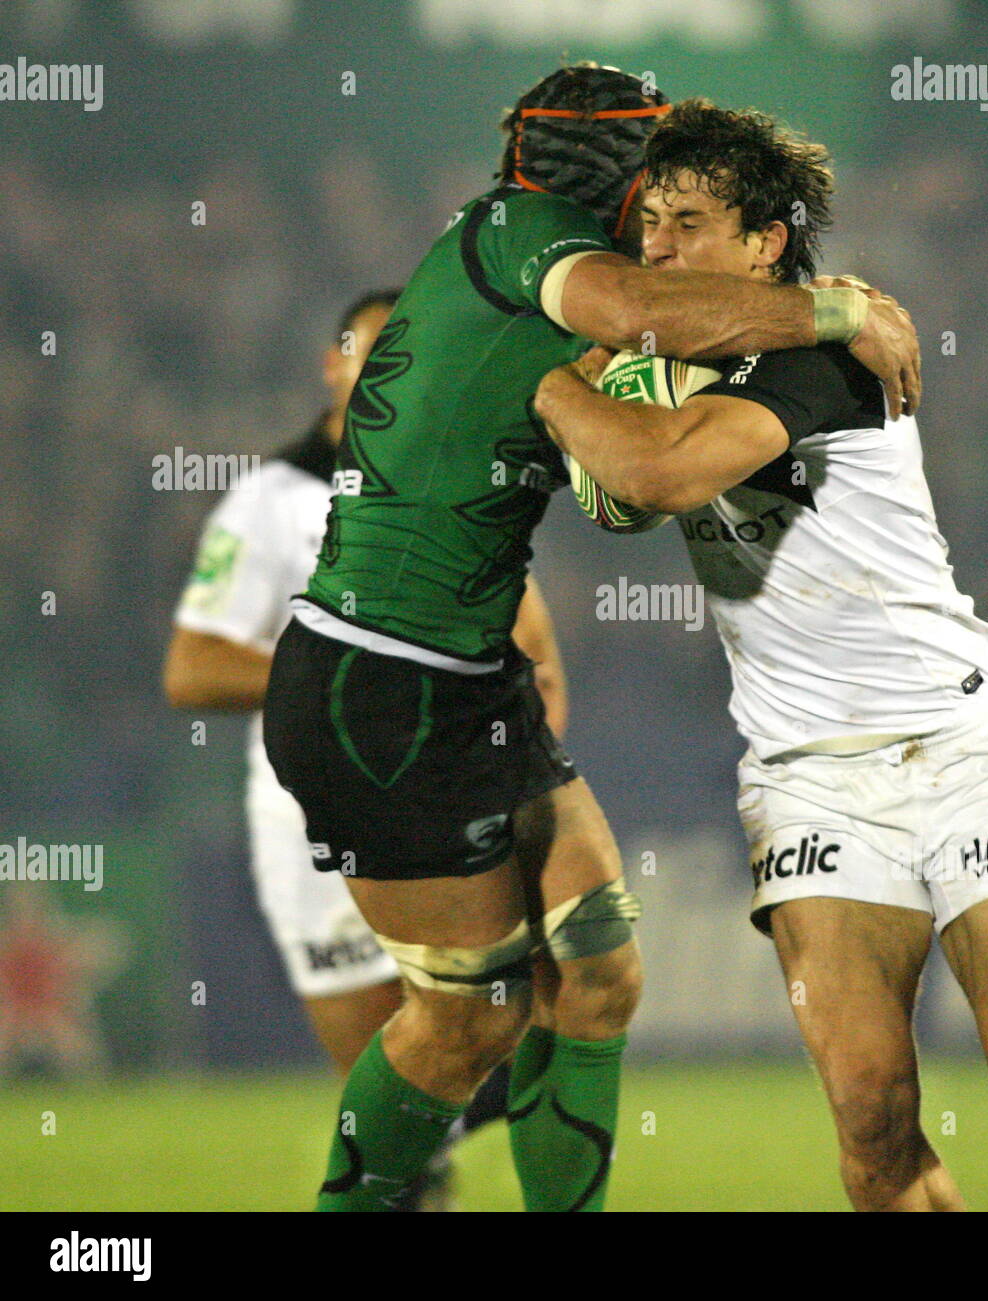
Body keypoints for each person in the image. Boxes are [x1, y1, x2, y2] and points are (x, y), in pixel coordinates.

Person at [535, 99, 988, 1212]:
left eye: (687, 222)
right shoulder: (673, 350)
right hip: (807, 775)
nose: (657, 248)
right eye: (650, 226)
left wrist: (554, 387)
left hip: (957, 744)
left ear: (767, 241)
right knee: (872, 1121)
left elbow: (655, 476)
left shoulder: (834, 356)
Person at [261, 63, 921, 1212]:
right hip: (380, 683)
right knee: (473, 1014)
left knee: (600, 970)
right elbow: (634, 318)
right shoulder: (529, 234)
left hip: (467, 675)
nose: (650, 219)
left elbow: (621, 453)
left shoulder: (543, 253)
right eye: (648, 191)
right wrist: (838, 307)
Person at [165, 290, 565, 1206]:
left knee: (532, 1019)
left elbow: (534, 648)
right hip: (312, 817)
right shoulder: (271, 500)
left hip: (446, 806)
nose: (390, 368)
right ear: (333, 364)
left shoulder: (454, 479)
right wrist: (350, 685)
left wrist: (525, 763)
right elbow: (192, 668)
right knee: (393, 1093)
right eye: (371, 350)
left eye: (409, 352)